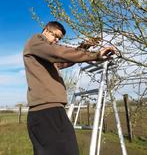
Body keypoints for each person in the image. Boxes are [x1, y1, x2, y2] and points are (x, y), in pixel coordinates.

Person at [23, 21, 116, 155]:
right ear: (45, 30)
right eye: (55, 36)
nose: (57, 40)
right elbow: (58, 53)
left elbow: (64, 60)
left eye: (59, 39)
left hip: (50, 111)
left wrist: (85, 46)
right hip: (46, 112)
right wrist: (95, 55)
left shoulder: (44, 56)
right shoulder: (36, 41)